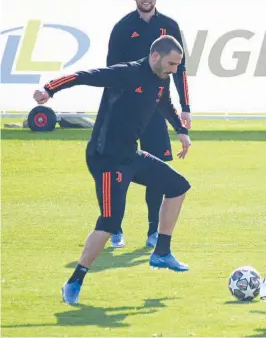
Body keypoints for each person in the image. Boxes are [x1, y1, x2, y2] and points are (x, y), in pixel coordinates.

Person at [33, 36, 193, 305]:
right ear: (155, 57)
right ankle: (75, 281)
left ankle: (162, 251)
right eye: (171, 64)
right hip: (106, 158)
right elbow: (83, 76)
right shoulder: (127, 73)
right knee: (109, 222)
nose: (174, 70)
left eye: (177, 65)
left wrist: (182, 131)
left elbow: (164, 101)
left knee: (178, 187)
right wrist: (50, 89)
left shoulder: (161, 79)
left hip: (130, 155)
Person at [106, 0, 192, 249]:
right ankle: (114, 228)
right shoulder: (122, 28)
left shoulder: (169, 27)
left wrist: (186, 108)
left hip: (156, 111)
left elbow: (180, 70)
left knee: (157, 170)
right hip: (126, 114)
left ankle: (153, 231)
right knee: (120, 172)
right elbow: (111, 74)